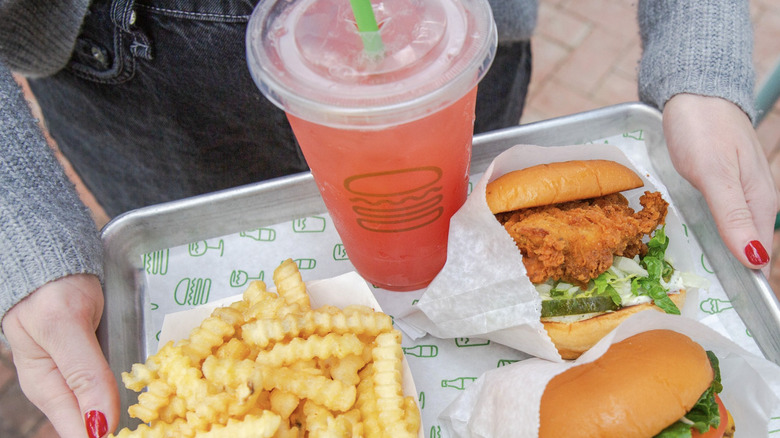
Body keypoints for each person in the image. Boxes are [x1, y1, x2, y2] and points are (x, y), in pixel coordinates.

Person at [0, 0, 776, 437]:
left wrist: (698, 59)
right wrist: (22, 230)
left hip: (453, 47)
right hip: (142, 82)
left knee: (454, 211)